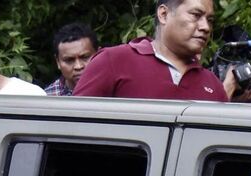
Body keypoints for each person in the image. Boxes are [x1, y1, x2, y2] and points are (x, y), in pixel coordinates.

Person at [74, 0, 227, 102]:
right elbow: (71, 130)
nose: (205, 27)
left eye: (210, 20)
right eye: (196, 15)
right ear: (164, 14)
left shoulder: (213, 86)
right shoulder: (113, 61)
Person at [44, 22, 98, 96]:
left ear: (99, 55)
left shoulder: (114, 91)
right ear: (58, 62)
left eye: (85, 57)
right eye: (69, 60)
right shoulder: (47, 99)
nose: (78, 66)